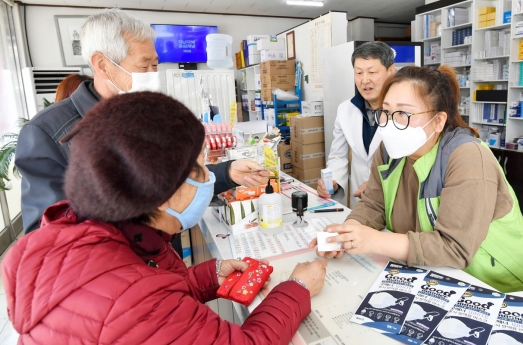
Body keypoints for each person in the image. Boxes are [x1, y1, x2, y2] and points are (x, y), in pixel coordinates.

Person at [2, 91, 328, 344]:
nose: (208, 178)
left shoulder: (90, 234)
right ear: (162, 192)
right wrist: (296, 288)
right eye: (198, 169)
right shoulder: (131, 303)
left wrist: (208, 275)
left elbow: (146, 287)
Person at [15, 8, 268, 234]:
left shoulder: (152, 116)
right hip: (113, 277)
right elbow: (44, 236)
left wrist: (226, 172)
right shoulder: (46, 133)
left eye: (155, 65)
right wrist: (143, 217)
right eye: (144, 66)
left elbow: (175, 183)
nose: (152, 75)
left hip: (160, 262)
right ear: (103, 65)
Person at [310, 65, 523, 293]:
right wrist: (348, 232)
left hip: (494, 284)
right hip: (433, 274)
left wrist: (373, 241)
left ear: (439, 121)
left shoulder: (467, 157)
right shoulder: (388, 149)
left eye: (403, 113)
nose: (390, 124)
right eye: (386, 112)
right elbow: (373, 204)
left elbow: (455, 248)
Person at [317, 42, 395, 207]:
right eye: (358, 73)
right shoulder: (345, 110)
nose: (364, 80)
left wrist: (379, 184)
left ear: (391, 71)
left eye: (372, 72)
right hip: (359, 202)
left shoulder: (404, 111)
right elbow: (338, 156)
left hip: (394, 199)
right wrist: (333, 182)